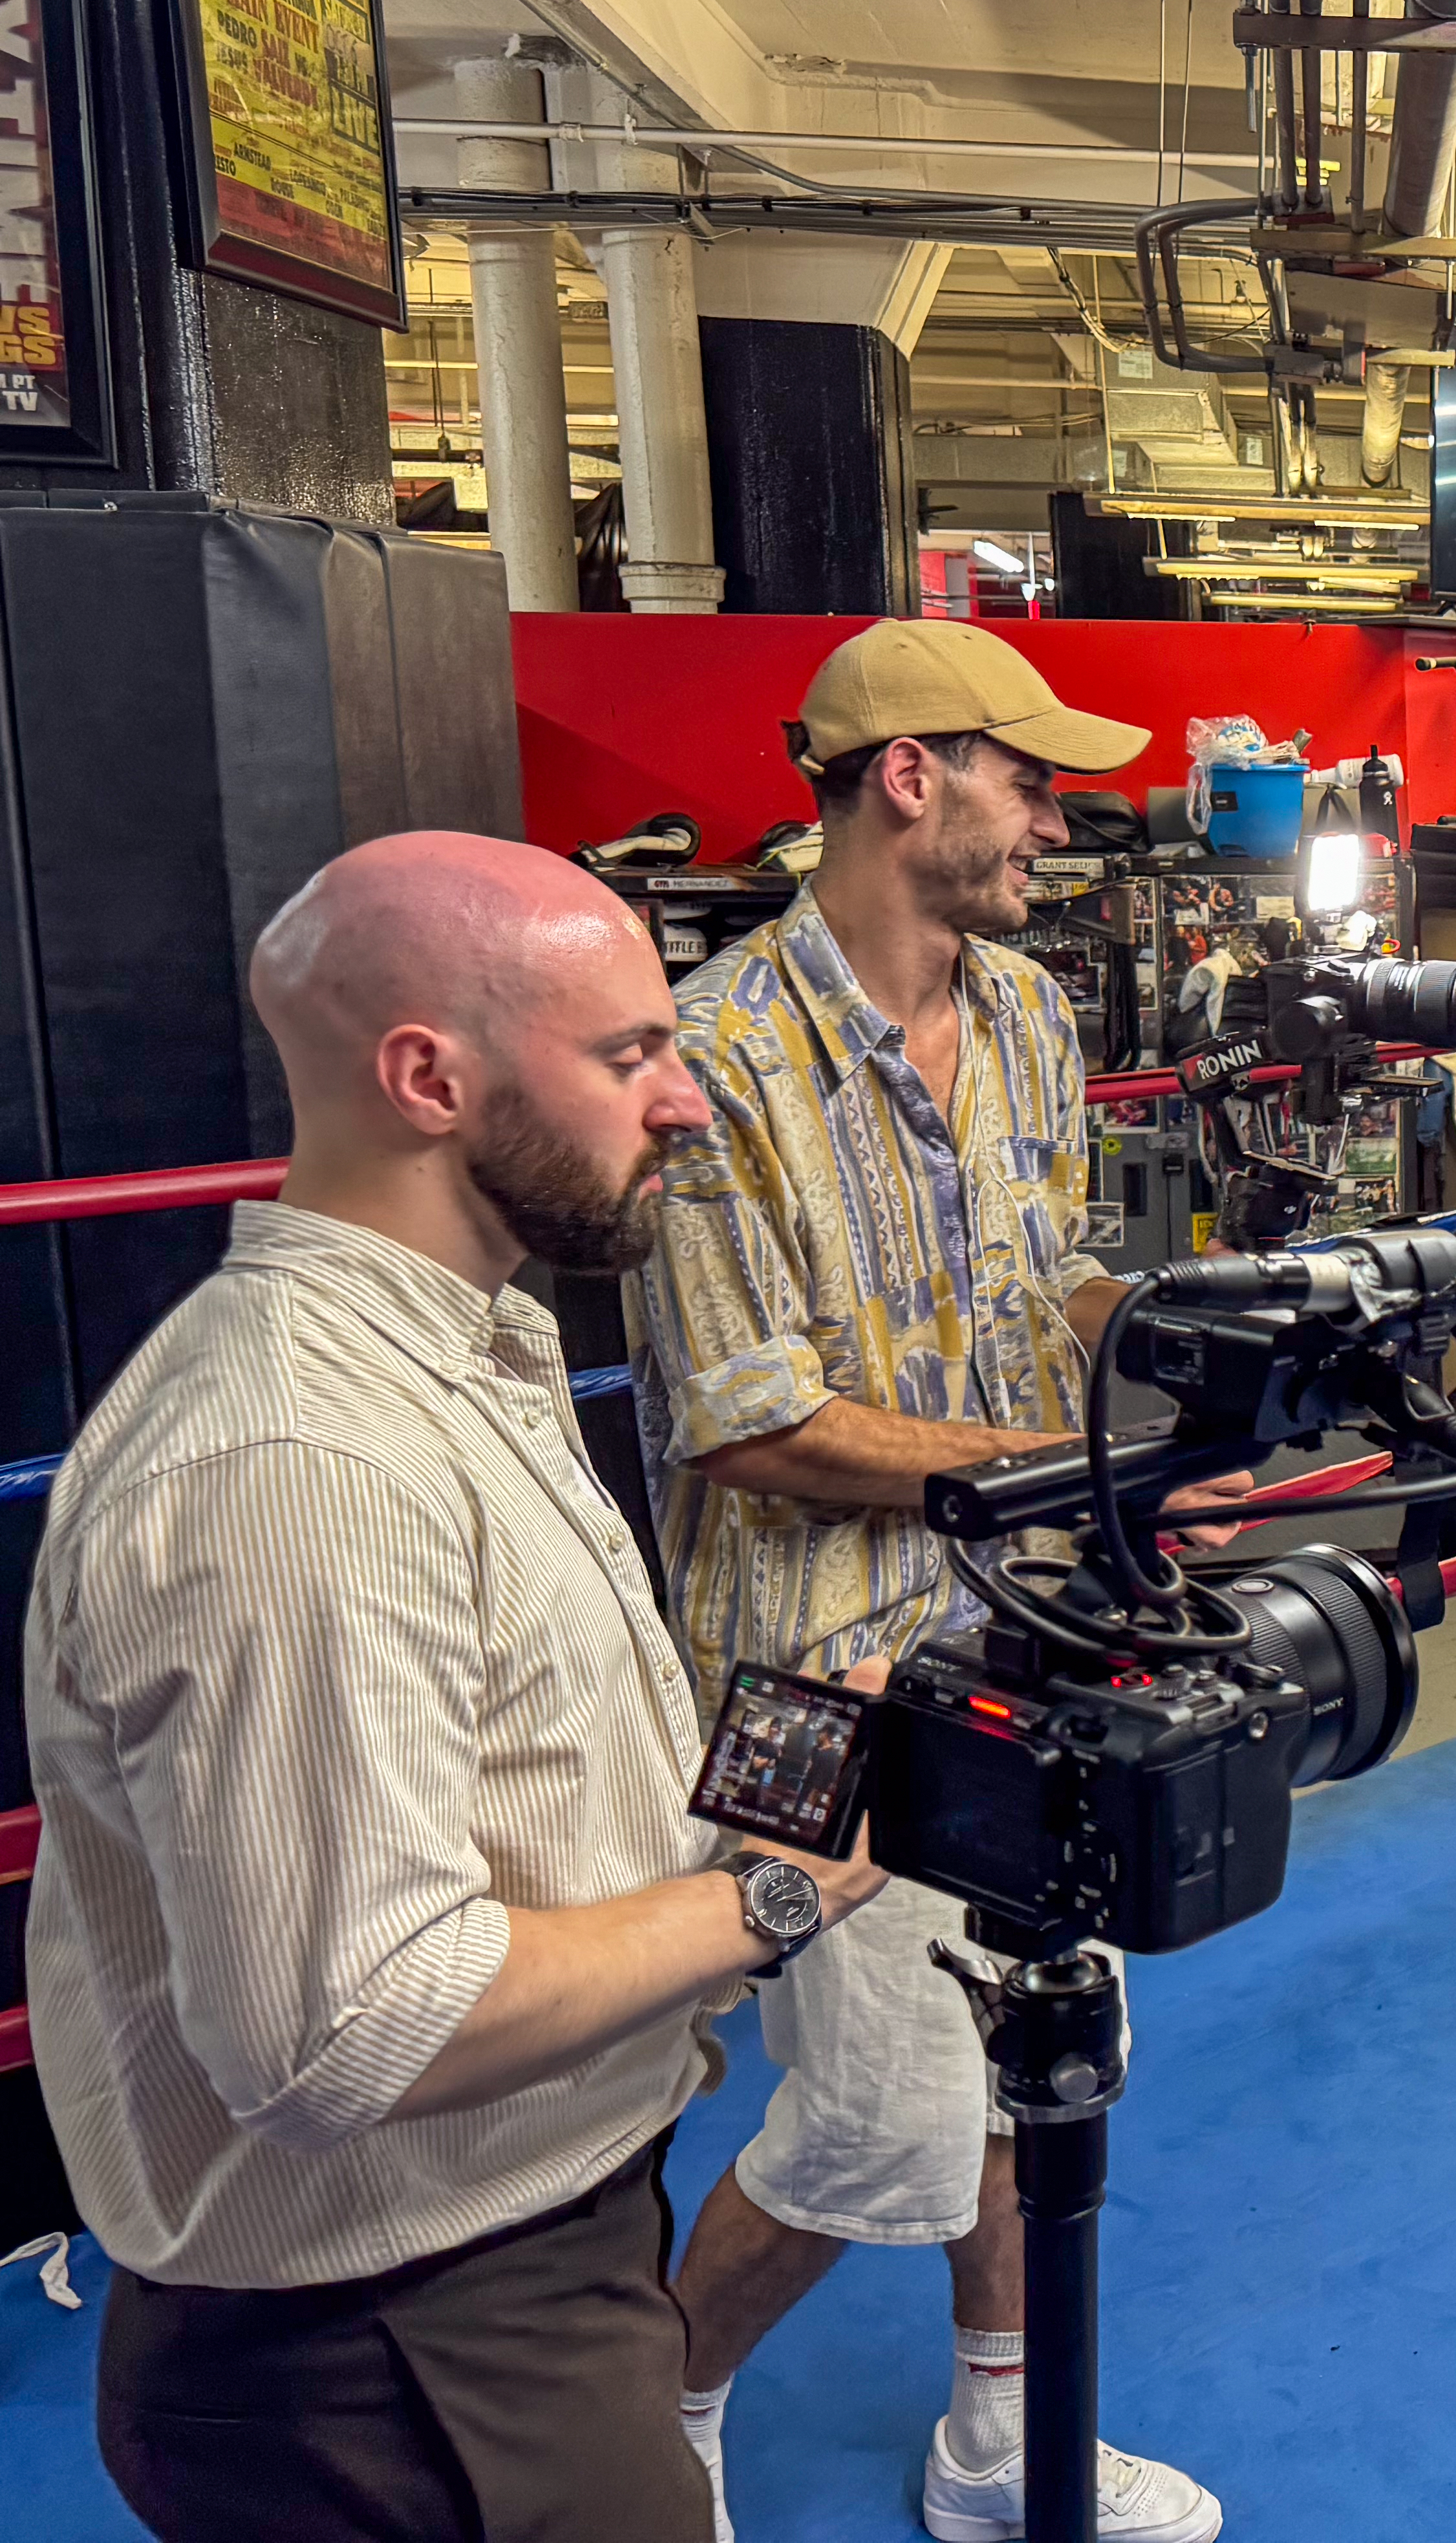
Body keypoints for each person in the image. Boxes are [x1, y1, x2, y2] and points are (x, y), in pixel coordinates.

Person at [21, 835, 887, 2542]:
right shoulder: (303, 1459)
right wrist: (780, 1888)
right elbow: (345, 2024)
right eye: (631, 1053)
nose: (689, 1103)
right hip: (405, 2339)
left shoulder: (450, 1349)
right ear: (431, 1076)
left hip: (514, 2263)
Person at [628, 620, 1226, 2543]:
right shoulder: (711, 1059)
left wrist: (1189, 1364)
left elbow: (1043, 1285)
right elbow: (747, 1419)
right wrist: (1058, 1467)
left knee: (1036, 2040)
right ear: (909, 777)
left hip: (1033, 1619)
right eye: (1025, 776)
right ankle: (650, 2419)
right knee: (878, 2114)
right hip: (814, 1680)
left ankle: (995, 2440)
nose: (1060, 812)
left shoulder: (1037, 1016)